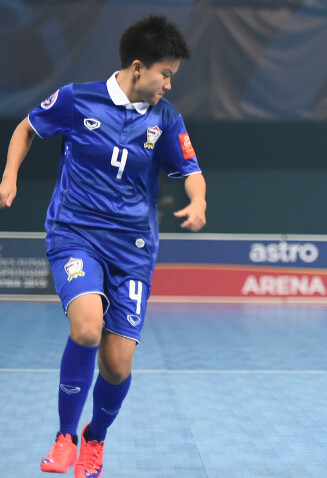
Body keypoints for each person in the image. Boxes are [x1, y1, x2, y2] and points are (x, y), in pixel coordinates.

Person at [0, 15, 206, 478]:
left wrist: (199, 202)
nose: (169, 84)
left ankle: (95, 438)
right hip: (76, 234)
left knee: (116, 366)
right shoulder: (77, 99)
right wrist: (9, 176)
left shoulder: (166, 119)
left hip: (132, 251)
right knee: (87, 328)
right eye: (166, 74)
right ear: (138, 67)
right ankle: (65, 438)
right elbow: (26, 129)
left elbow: (192, 171)